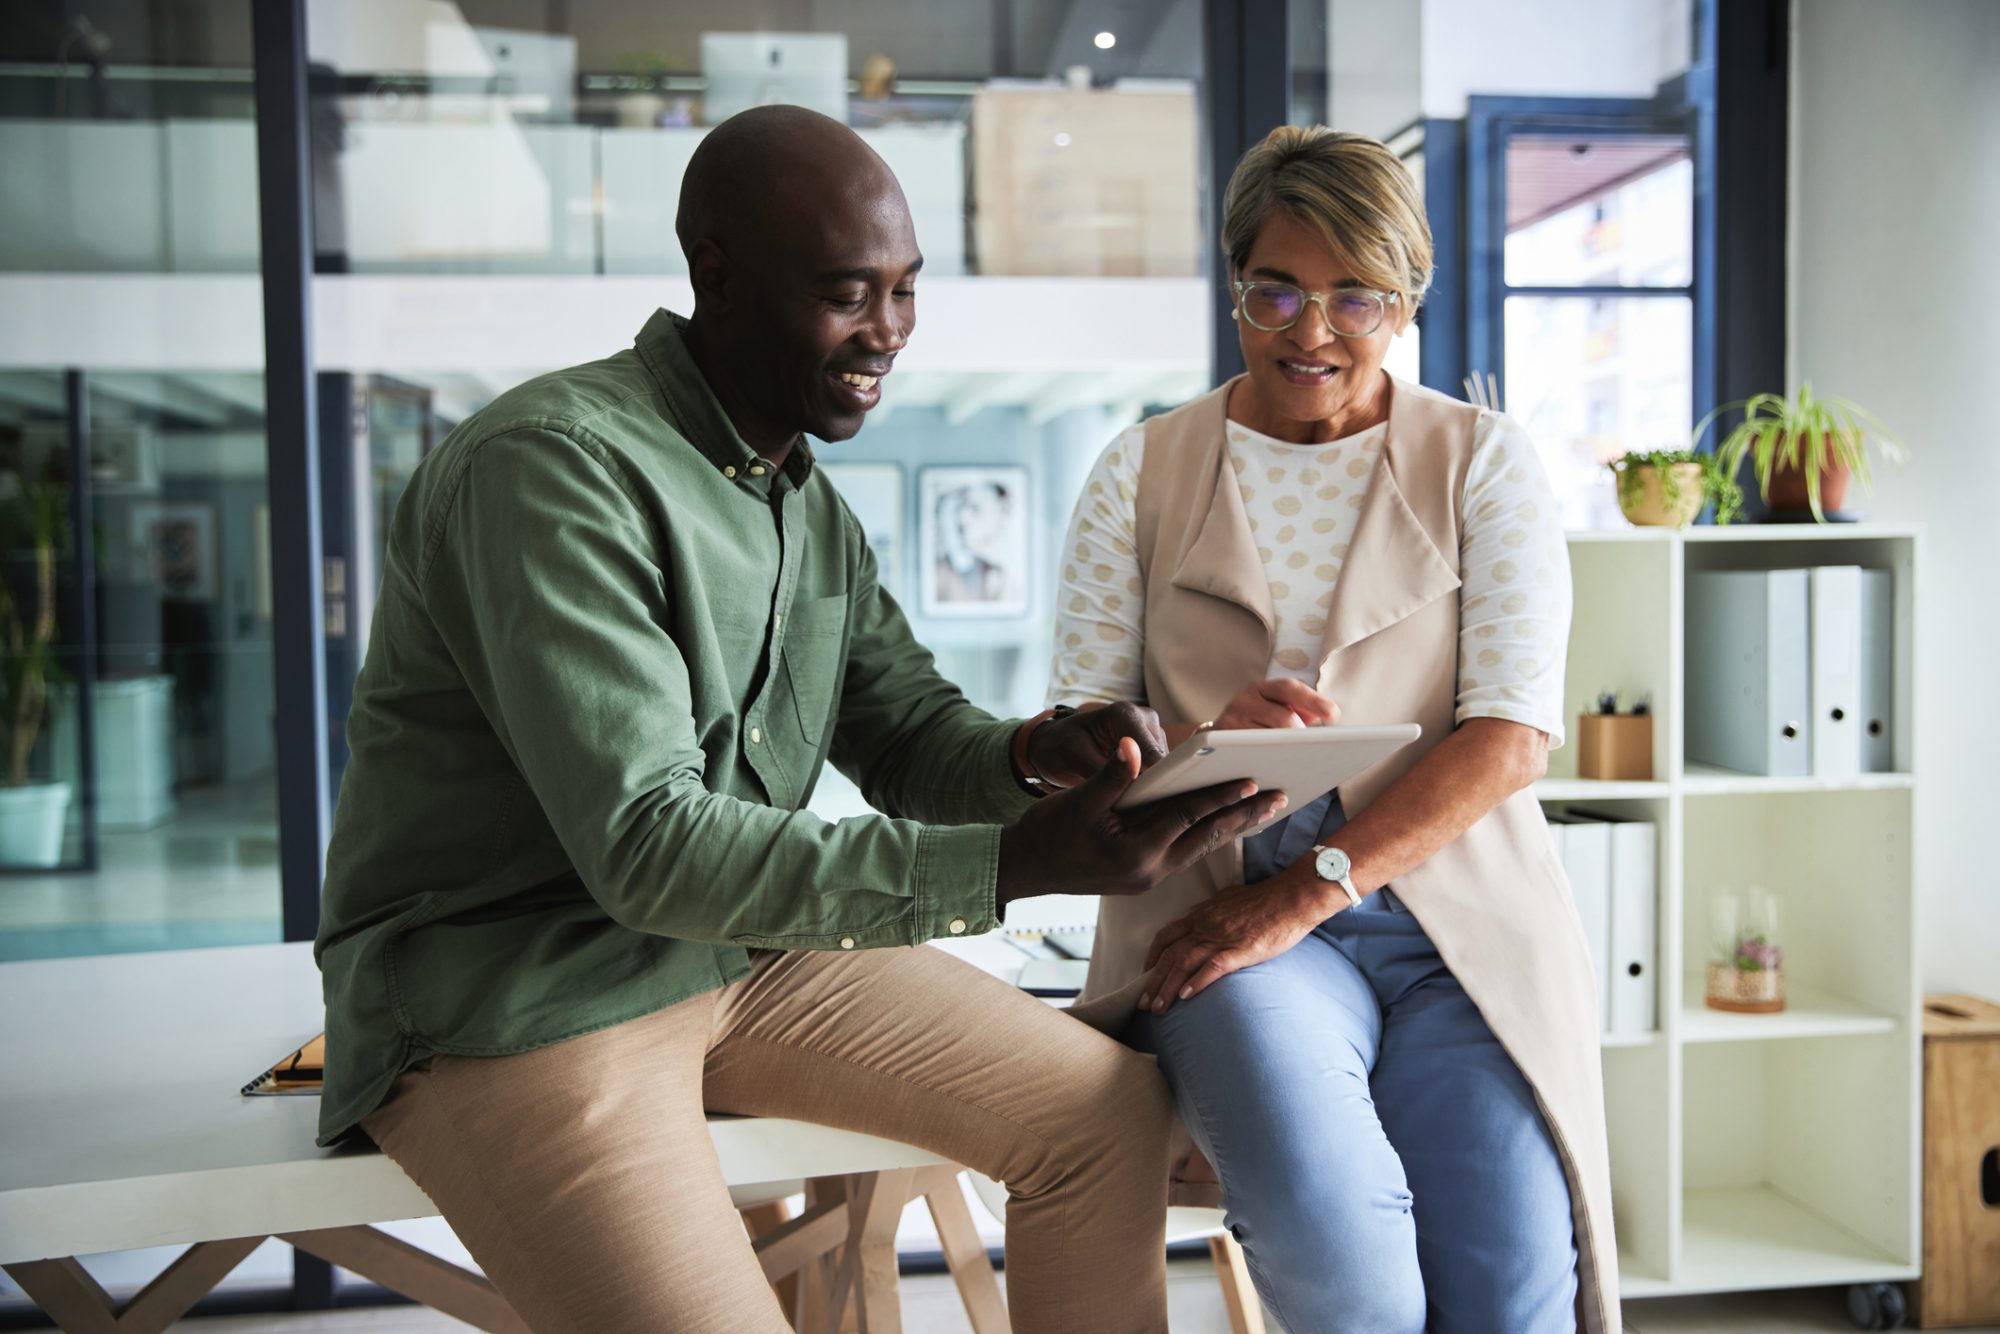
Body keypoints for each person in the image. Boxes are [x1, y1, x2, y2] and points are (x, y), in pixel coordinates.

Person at [314, 105, 1281, 1334]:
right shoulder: (549, 469)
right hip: (516, 993)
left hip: (734, 955)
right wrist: (1018, 862)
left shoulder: (801, 502)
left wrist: (1041, 753)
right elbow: (650, 845)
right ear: (715, 275)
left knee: (1099, 1115)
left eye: (905, 291)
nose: (886, 334)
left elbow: (904, 733)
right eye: (845, 293)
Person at [1052, 125, 1620, 1333]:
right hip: (1224, 909)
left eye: (1354, 296)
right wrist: (1200, 734)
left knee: (1512, 1293)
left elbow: (1510, 734)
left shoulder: (1483, 466)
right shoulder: (1138, 472)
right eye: (1277, 291)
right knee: (1348, 1268)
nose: (1311, 330)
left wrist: (1314, 883)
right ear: (1234, 287)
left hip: (1451, 921)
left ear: (1407, 298)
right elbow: (1074, 741)